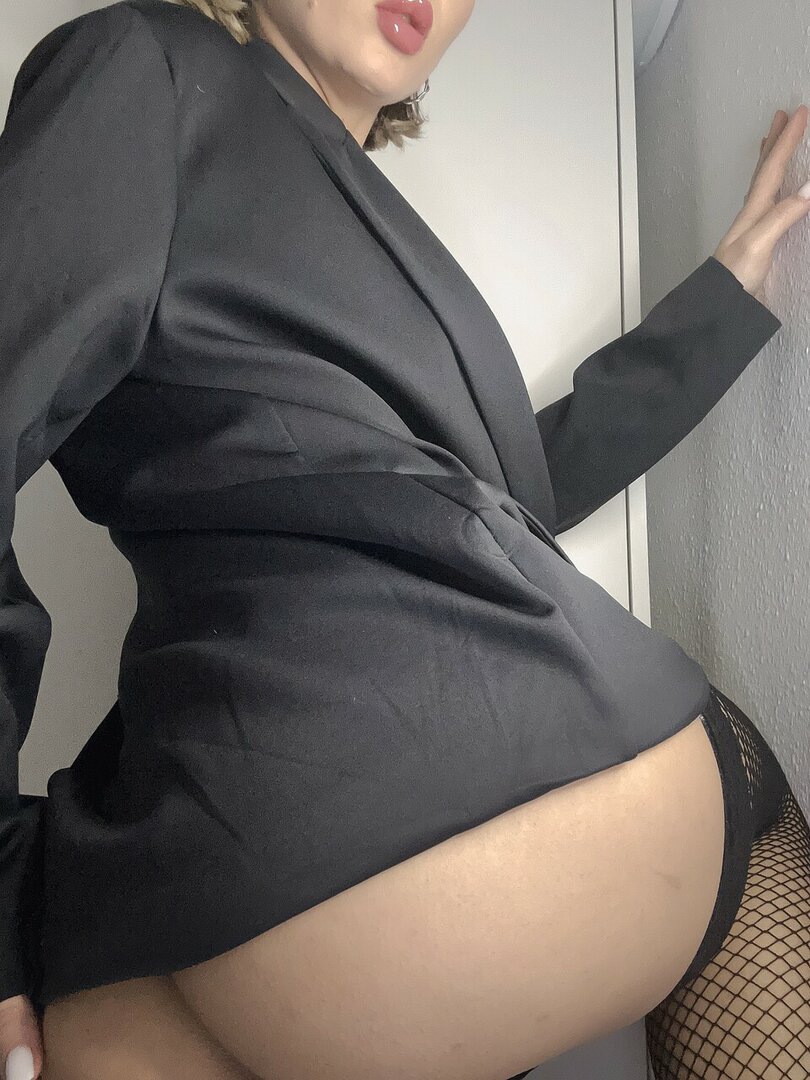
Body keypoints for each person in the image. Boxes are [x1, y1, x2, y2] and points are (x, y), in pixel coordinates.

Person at [0, 1, 807, 1077]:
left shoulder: (304, 195)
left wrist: (723, 303)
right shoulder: (146, 62)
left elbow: (502, 493)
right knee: (739, 797)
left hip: (201, 889)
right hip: (376, 819)